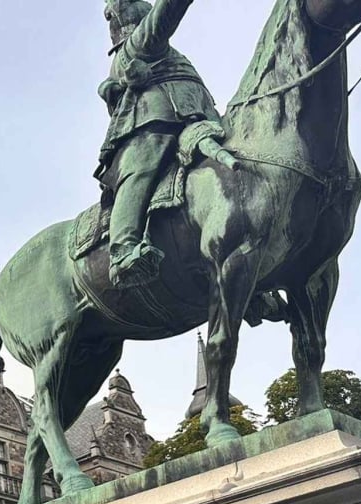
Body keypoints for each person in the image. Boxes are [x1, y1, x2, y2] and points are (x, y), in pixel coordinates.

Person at [95, 0, 226, 289]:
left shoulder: (165, 51)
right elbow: (166, 14)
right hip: (157, 122)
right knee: (141, 169)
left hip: (200, 117)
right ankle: (123, 251)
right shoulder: (137, 47)